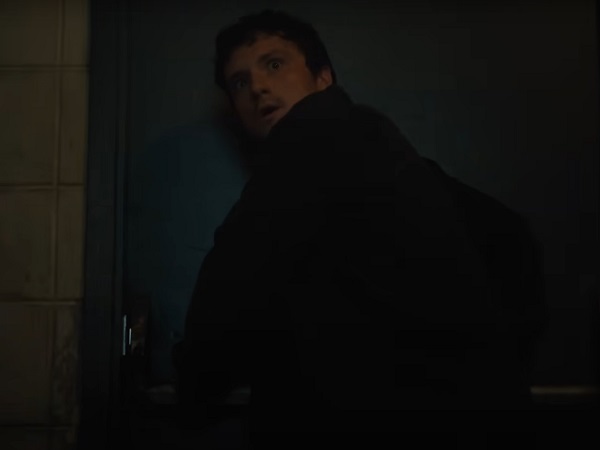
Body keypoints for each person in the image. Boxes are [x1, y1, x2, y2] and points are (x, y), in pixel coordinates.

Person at [174, 9, 545, 449]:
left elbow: (230, 293)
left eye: (274, 64)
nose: (257, 87)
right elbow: (511, 237)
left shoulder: (308, 139)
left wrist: (193, 384)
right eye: (239, 82)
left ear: (323, 78)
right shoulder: (387, 152)